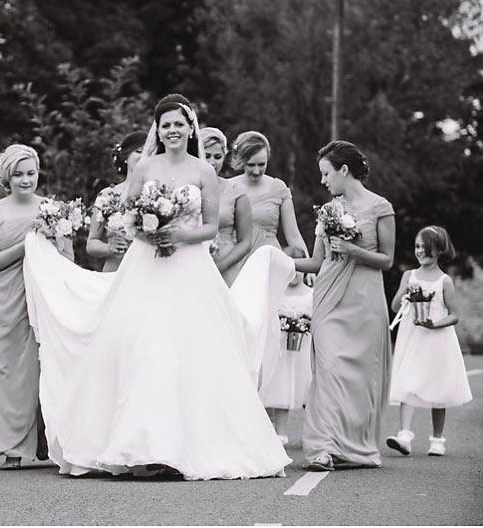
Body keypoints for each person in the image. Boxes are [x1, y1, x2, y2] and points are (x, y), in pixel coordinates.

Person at [22, 94, 294, 480]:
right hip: (146, 266)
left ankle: (185, 445)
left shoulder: (203, 171)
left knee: (189, 349)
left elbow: (210, 227)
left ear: (190, 128)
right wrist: (148, 232)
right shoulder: (145, 166)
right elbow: (128, 216)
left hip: (189, 268)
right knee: (143, 348)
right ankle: (141, 446)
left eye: (178, 124)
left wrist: (177, 235)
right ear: (157, 129)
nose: (172, 131)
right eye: (165, 124)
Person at [292, 141, 395, 471]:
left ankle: (352, 449)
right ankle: (321, 448)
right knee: (329, 368)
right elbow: (317, 262)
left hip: (365, 299)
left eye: (326, 174)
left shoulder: (381, 208)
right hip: (329, 298)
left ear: (344, 171)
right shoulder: (327, 211)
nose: (323, 182)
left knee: (359, 376)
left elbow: (387, 260)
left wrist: (355, 252)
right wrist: (277, 262)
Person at [0, 144, 52, 469]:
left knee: (41, 366)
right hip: (2, 300)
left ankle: (47, 438)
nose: (25, 180)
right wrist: (26, 246)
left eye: (30, 173)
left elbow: (67, 257)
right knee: (7, 372)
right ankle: (12, 447)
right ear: (6, 177)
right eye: (18, 174)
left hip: (41, 295)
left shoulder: (50, 207)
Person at [386, 226, 472, 457]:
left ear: (438, 250)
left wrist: (435, 324)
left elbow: (454, 315)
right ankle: (404, 435)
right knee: (408, 381)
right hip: (412, 338)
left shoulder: (445, 281)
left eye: (425, 247)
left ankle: (437, 440)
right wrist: (406, 293)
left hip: (436, 339)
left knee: (437, 386)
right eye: (417, 246)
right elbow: (394, 307)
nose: (420, 251)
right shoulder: (409, 276)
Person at [258, 246, 314, 446]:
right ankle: (280, 433)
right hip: (282, 350)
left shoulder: (312, 294)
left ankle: (314, 432)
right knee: (281, 388)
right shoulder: (277, 294)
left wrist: (307, 324)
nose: (295, 274)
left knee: (307, 389)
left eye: (299, 269)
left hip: (304, 352)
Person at [230, 131, 309, 258]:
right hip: (236, 259)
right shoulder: (228, 187)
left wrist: (308, 267)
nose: (256, 171)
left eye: (261, 164)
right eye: (251, 165)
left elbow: (294, 235)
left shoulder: (278, 188)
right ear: (242, 161)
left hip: (269, 259)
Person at [86, 131, 148, 272]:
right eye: (139, 151)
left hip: (150, 272)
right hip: (115, 272)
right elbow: (91, 244)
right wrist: (109, 248)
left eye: (150, 152)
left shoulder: (160, 196)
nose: (144, 156)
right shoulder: (108, 195)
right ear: (125, 157)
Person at [200, 127, 254, 285]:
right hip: (194, 262)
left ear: (225, 155)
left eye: (217, 156)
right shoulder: (186, 190)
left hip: (226, 265)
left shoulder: (235, 190)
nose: (212, 162)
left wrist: (220, 267)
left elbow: (245, 241)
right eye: (206, 156)